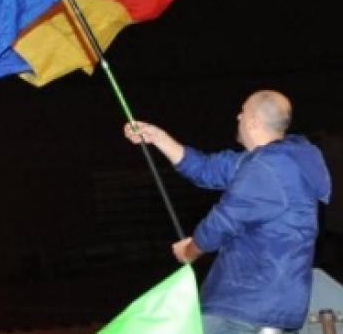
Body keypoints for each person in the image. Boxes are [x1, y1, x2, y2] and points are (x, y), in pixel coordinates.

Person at [124, 89, 331, 333]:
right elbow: (204, 169)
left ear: (253, 121)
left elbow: (220, 224)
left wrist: (190, 251)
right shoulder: (266, 162)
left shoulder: (269, 168)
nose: (238, 117)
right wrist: (158, 137)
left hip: (249, 305)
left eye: (242, 113)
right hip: (260, 303)